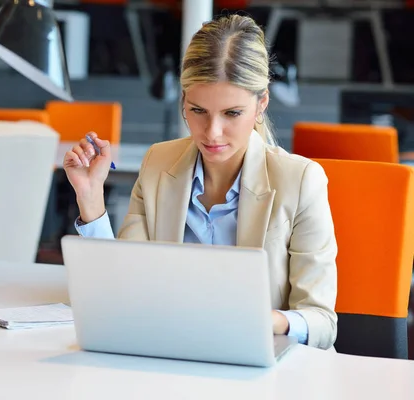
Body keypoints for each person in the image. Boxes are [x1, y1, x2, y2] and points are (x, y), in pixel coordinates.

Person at [62, 14, 337, 350]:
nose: (212, 132)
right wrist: (91, 201)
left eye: (232, 113)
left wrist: (268, 320)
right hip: (170, 355)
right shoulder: (158, 165)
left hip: (265, 367)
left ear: (261, 103)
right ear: (183, 100)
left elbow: (323, 324)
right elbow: (120, 289)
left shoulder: (300, 180)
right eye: (198, 110)